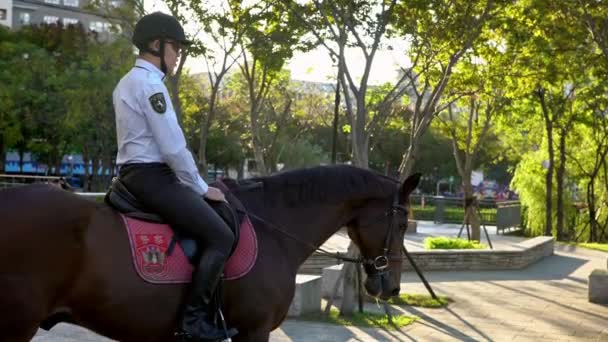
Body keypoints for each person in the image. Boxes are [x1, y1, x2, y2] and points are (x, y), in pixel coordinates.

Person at [112, 11, 237, 340]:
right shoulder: (150, 84)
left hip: (134, 175)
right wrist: (199, 186)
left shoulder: (128, 81)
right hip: (152, 176)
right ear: (156, 44)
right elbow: (172, 147)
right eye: (175, 47)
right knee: (222, 236)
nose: (178, 54)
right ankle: (193, 322)